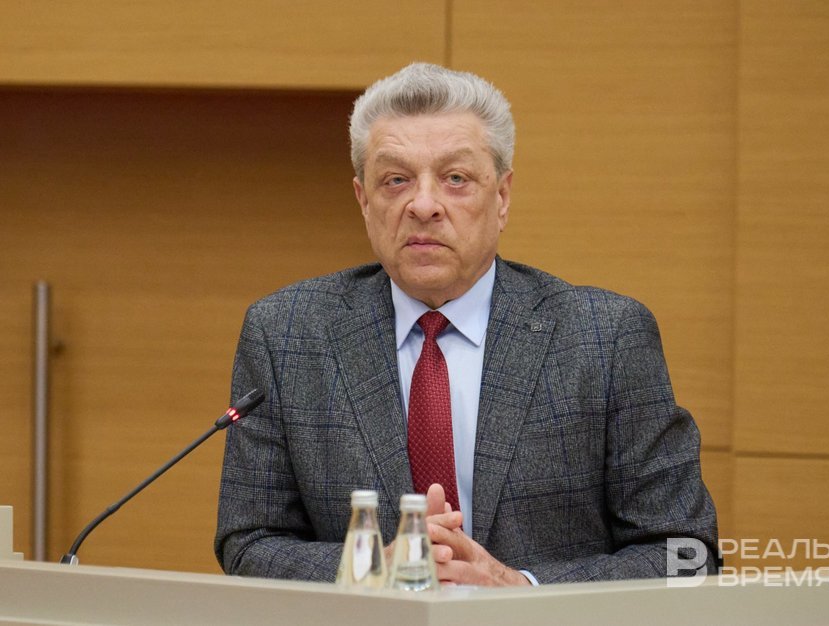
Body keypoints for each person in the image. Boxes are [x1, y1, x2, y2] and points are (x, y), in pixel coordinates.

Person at [214, 62, 719, 586]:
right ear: (363, 200)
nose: (423, 205)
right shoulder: (287, 335)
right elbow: (249, 542)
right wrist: (371, 570)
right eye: (395, 180)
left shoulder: (605, 338)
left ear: (501, 197)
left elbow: (687, 554)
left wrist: (519, 589)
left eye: (455, 179)